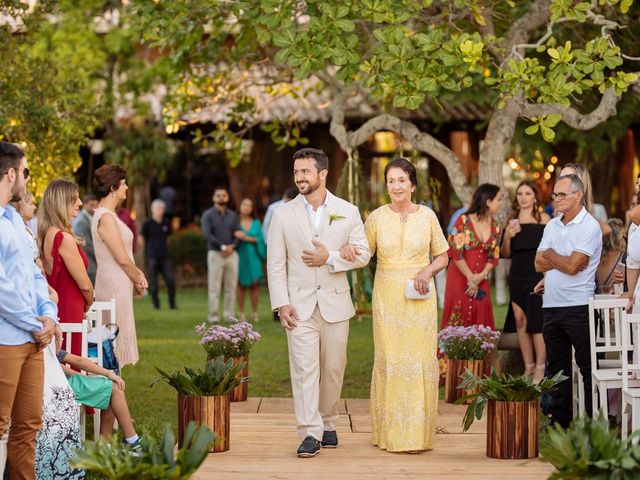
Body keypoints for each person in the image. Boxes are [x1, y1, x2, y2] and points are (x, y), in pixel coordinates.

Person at [267, 148, 371, 458]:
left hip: (336, 304)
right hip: (298, 306)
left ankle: (328, 421)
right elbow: (275, 263)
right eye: (296, 172)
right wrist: (281, 303)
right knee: (304, 370)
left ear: (322, 174)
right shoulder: (282, 214)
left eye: (305, 172)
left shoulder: (347, 211)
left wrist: (333, 257)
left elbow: (364, 254)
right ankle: (309, 432)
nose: (299, 177)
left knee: (334, 368)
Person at [364, 158, 449, 452]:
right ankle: (389, 433)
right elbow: (363, 254)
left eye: (402, 180)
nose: (396, 186)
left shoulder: (427, 216)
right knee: (390, 358)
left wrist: (426, 272)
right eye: (391, 181)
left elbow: (443, 255)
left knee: (418, 360)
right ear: (386, 185)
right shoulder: (375, 218)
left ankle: (416, 435)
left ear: (412, 185)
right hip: (386, 295)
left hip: (419, 297)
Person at [0, 141, 57, 479]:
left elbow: (36, 274)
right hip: (6, 339)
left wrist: (48, 315)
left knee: (28, 427)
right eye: (25, 172)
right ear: (10, 174)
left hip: (34, 339)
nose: (27, 179)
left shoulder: (16, 221)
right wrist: (33, 322)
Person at [534, 174, 602, 428]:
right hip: (551, 306)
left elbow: (574, 266)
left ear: (578, 195)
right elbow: (536, 263)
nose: (557, 200)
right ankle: (561, 423)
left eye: (562, 195)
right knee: (558, 371)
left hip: (579, 306)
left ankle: (592, 424)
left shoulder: (589, 226)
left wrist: (551, 253)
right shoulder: (552, 225)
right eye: (555, 195)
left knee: (587, 369)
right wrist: (558, 259)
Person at [92, 165, 148, 368]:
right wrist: (138, 279)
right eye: (123, 184)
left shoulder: (110, 215)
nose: (127, 188)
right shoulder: (105, 217)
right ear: (113, 188)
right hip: (113, 283)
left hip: (119, 282)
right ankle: (114, 395)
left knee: (116, 339)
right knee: (112, 343)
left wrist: (137, 274)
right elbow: (121, 258)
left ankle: (115, 392)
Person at [501, 180, 551, 382]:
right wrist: (507, 236)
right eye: (520, 193)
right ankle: (528, 366)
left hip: (537, 274)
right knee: (520, 321)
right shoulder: (512, 221)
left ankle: (541, 367)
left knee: (536, 322)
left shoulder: (545, 219)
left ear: (535, 197)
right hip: (517, 275)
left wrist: (547, 276)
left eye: (527, 193)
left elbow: (550, 251)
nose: (523, 197)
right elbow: (505, 254)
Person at [54, 331, 141, 446]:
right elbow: (78, 361)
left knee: (111, 389)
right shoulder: (45, 343)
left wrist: (82, 377)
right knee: (114, 388)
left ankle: (105, 446)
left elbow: (58, 365)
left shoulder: (37, 344)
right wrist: (108, 373)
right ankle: (132, 441)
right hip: (62, 386)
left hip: (63, 382)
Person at [39, 179, 94, 356]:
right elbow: (85, 285)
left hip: (59, 307)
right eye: (74, 199)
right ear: (62, 202)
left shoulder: (47, 233)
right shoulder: (63, 238)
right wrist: (88, 304)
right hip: (69, 309)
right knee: (72, 366)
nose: (79, 203)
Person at [441, 184, 502, 329]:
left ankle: (480, 352)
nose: (501, 203)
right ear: (488, 201)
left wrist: (480, 277)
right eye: (498, 199)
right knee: (457, 315)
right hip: (460, 277)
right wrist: (471, 278)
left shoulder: (497, 226)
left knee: (481, 317)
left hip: (482, 279)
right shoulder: (463, 221)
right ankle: (452, 352)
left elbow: (494, 256)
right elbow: (455, 251)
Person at [201, 187, 240, 323]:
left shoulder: (232, 215)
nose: (221, 197)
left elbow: (237, 233)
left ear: (227, 198)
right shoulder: (208, 215)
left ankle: (229, 316)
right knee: (214, 288)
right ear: (214, 198)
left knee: (231, 288)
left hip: (232, 254)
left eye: (224, 195)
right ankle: (214, 317)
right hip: (215, 254)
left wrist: (232, 246)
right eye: (218, 195)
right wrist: (222, 247)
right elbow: (207, 234)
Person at [141, 199, 177, 310]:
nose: (160, 210)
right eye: (157, 208)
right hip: (152, 256)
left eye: (162, 208)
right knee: (154, 284)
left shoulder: (166, 223)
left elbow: (169, 237)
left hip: (164, 256)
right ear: (152, 210)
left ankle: (172, 304)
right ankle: (156, 305)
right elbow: (142, 238)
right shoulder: (147, 223)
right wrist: (145, 254)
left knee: (170, 281)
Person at [235, 198, 266, 322]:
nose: (247, 207)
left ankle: (255, 313)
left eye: (250, 205)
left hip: (253, 256)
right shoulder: (235, 221)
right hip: (240, 255)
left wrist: (246, 238)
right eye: (244, 204)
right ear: (240, 206)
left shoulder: (256, 222)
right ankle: (241, 313)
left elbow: (260, 239)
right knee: (240, 285)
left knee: (254, 285)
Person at [72, 193, 99, 284]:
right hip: (89, 265)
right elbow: (86, 245)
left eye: (96, 205)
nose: (94, 208)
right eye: (92, 205)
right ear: (85, 204)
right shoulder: (81, 222)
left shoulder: (88, 218)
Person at [596, 218, 625, 294]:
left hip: (596, 301)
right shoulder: (623, 257)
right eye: (623, 235)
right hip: (615, 302)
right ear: (618, 237)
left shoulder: (596, 256)